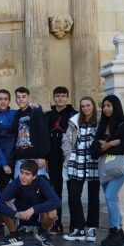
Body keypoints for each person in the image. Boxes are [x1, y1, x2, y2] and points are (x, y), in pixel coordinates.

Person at [93, 95, 124, 246]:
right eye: (104, 106)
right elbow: (94, 149)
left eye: (109, 105)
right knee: (112, 198)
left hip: (119, 166)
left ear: (116, 106)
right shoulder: (102, 125)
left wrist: (107, 145)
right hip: (104, 166)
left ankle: (114, 231)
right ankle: (120, 232)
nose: (106, 109)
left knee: (110, 196)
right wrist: (112, 143)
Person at [0, 160, 59, 246]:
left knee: (52, 212)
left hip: (38, 215)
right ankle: (14, 235)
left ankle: (42, 233)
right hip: (20, 215)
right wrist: (15, 214)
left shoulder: (42, 181)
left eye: (27, 174)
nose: (23, 176)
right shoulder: (16, 182)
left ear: (34, 176)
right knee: (3, 204)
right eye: (21, 172)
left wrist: (33, 209)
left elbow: (56, 201)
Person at [63, 96, 100, 243]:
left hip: (94, 162)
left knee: (93, 197)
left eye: (88, 105)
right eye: (83, 106)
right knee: (73, 196)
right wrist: (68, 156)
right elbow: (66, 140)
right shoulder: (74, 121)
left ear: (93, 106)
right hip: (76, 162)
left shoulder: (100, 121)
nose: (86, 108)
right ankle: (78, 228)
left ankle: (91, 227)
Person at [45, 86, 76, 234]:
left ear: (67, 97)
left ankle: (75, 224)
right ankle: (57, 224)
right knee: (55, 190)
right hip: (53, 157)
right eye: (57, 96)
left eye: (63, 96)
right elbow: (44, 137)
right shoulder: (48, 115)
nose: (60, 98)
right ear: (53, 97)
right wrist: (44, 157)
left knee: (72, 191)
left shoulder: (74, 114)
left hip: (71, 157)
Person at [0, 89, 18, 191]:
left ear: (9, 100)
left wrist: (36, 105)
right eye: (0, 99)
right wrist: (3, 163)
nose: (3, 101)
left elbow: (32, 111)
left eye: (6, 99)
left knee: (19, 188)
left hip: (17, 157)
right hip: (3, 158)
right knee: (2, 189)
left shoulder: (15, 113)